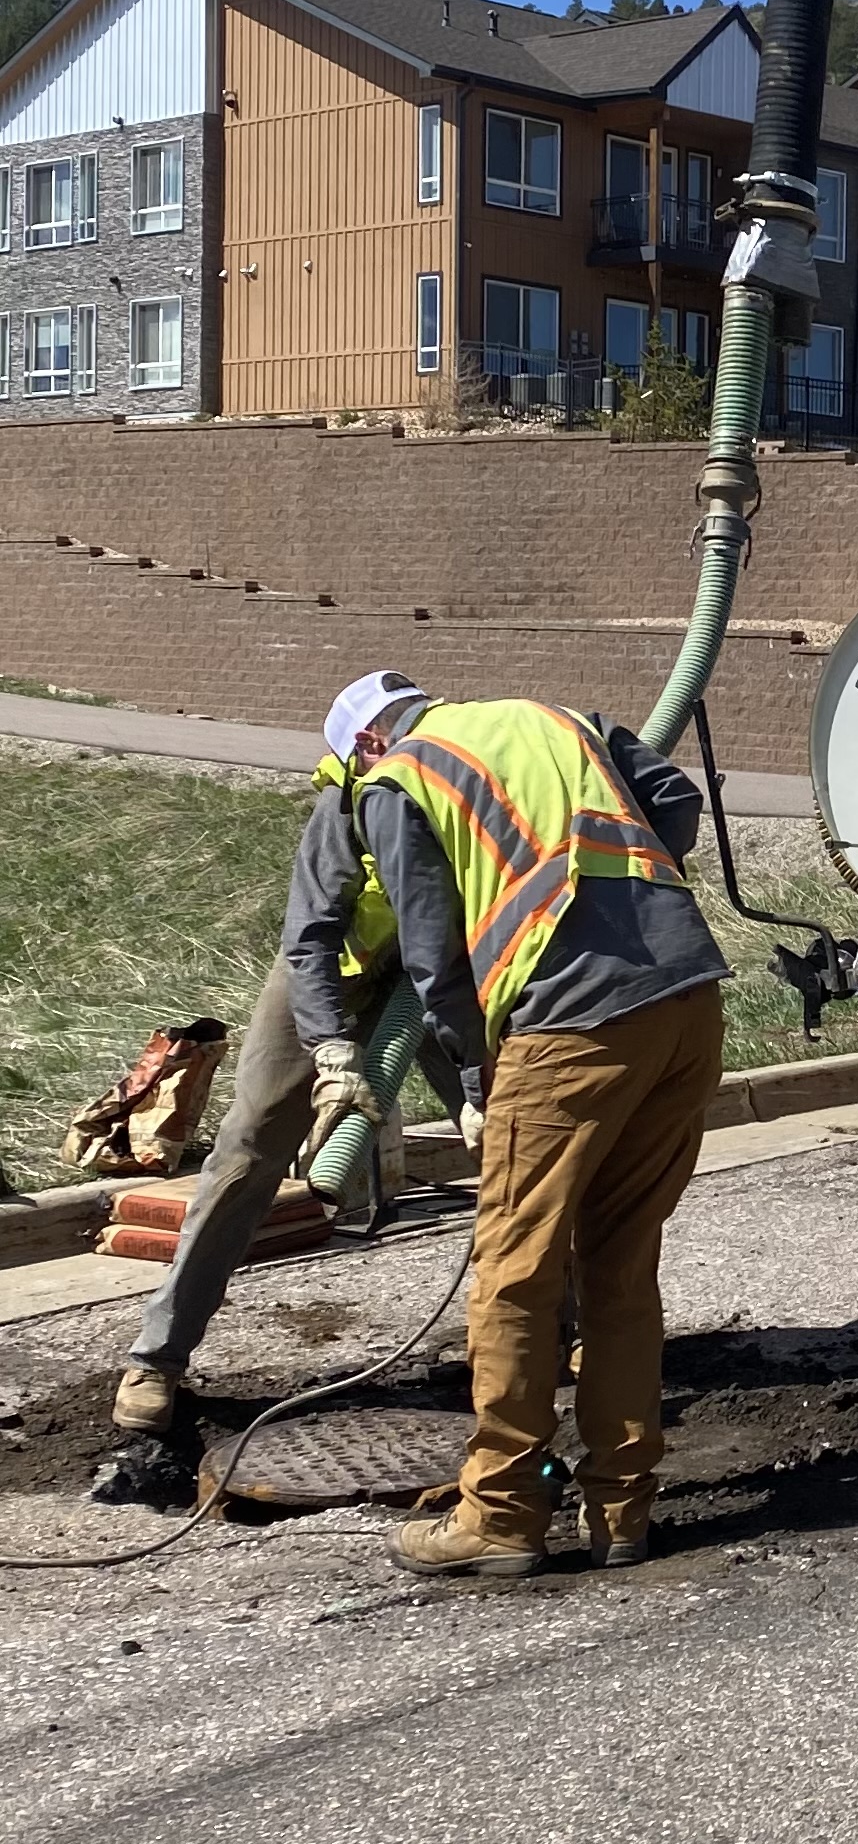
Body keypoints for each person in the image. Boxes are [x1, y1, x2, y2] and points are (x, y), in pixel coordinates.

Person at [354, 683, 729, 1580]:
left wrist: (476, 1071)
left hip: (569, 1020)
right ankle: (620, 1509)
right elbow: (675, 801)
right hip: (686, 995)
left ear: (369, 740)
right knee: (621, 1261)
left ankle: (504, 1513)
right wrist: (613, 900)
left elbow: (429, 949)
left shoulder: (400, 776)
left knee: (516, 1273)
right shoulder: (564, 721)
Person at [110, 670, 466, 1440]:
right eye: (399, 726)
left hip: (439, 971)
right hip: (333, 972)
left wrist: (476, 1080)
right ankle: (157, 1358)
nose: (419, 733)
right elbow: (308, 939)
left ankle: (564, 1335)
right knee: (249, 1145)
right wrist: (334, 1048)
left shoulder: (460, 775)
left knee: (514, 1129)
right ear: (368, 748)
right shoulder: (342, 811)